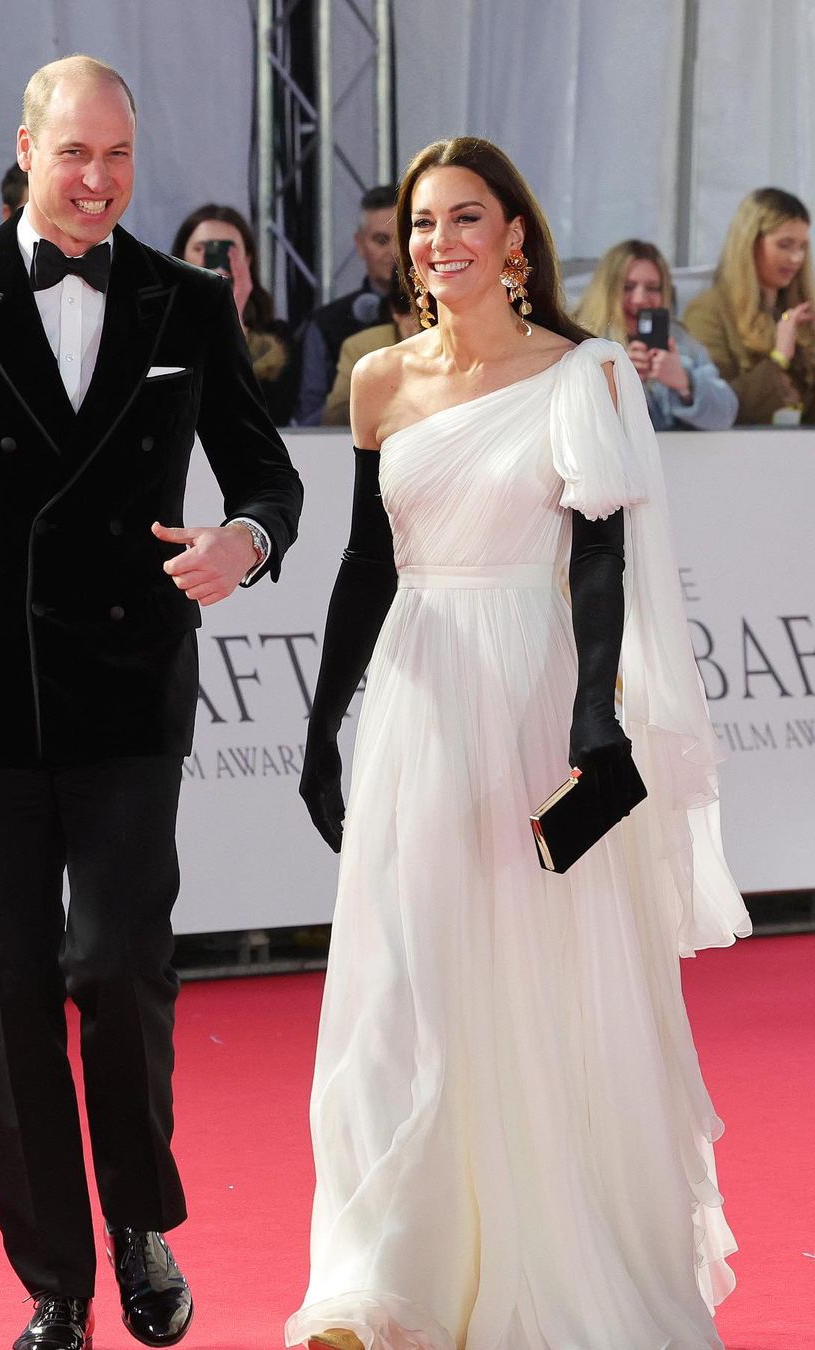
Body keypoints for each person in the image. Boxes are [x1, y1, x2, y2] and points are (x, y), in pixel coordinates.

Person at [0, 55, 302, 1350]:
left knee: (119, 962)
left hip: (132, 679)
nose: (97, 182)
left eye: (119, 158)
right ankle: (58, 1284)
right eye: (74, 153)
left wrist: (243, 542)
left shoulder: (184, 300)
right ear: (26, 146)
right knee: (7, 988)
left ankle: (139, 1217)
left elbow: (269, 476)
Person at [286, 136, 749, 1350]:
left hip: (533, 693)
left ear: (517, 240)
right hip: (416, 697)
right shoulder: (379, 382)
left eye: (465, 219)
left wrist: (596, 715)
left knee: (535, 983)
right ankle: (390, 1278)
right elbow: (363, 565)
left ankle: (553, 1268)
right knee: (407, 978)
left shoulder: (582, 375)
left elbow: (600, 560)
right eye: (425, 224)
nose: (440, 243)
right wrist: (322, 723)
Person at [575, 239, 737, 431]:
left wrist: (686, 383)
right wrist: (618, 380)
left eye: (652, 288)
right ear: (606, 291)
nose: (640, 299)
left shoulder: (681, 341)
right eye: (628, 287)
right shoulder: (579, 341)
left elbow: (726, 414)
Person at [684, 187, 815, 424]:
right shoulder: (707, 313)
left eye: (802, 246)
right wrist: (780, 357)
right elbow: (717, 406)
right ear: (749, 243)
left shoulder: (802, 312)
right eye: (785, 245)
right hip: (739, 456)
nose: (796, 258)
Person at [171, 203, 297, 425]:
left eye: (227, 250)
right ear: (181, 255)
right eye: (201, 249)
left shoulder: (277, 338)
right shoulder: (158, 326)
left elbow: (275, 414)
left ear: (247, 259)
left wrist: (233, 316)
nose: (214, 259)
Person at [294, 185, 398, 425]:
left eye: (402, 238)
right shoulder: (326, 324)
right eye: (381, 240)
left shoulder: (443, 313)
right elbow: (308, 419)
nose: (393, 252)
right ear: (360, 244)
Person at [321, 272, 417, 426]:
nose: (416, 318)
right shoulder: (362, 347)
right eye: (405, 306)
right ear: (393, 310)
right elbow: (333, 418)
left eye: (426, 308)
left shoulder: (459, 342)